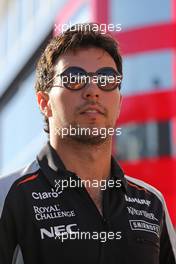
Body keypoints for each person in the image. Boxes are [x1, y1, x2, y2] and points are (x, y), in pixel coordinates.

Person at [0, 23, 175, 264]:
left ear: (119, 101)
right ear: (43, 102)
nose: (93, 90)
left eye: (107, 78)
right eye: (74, 78)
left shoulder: (152, 203)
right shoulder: (6, 196)